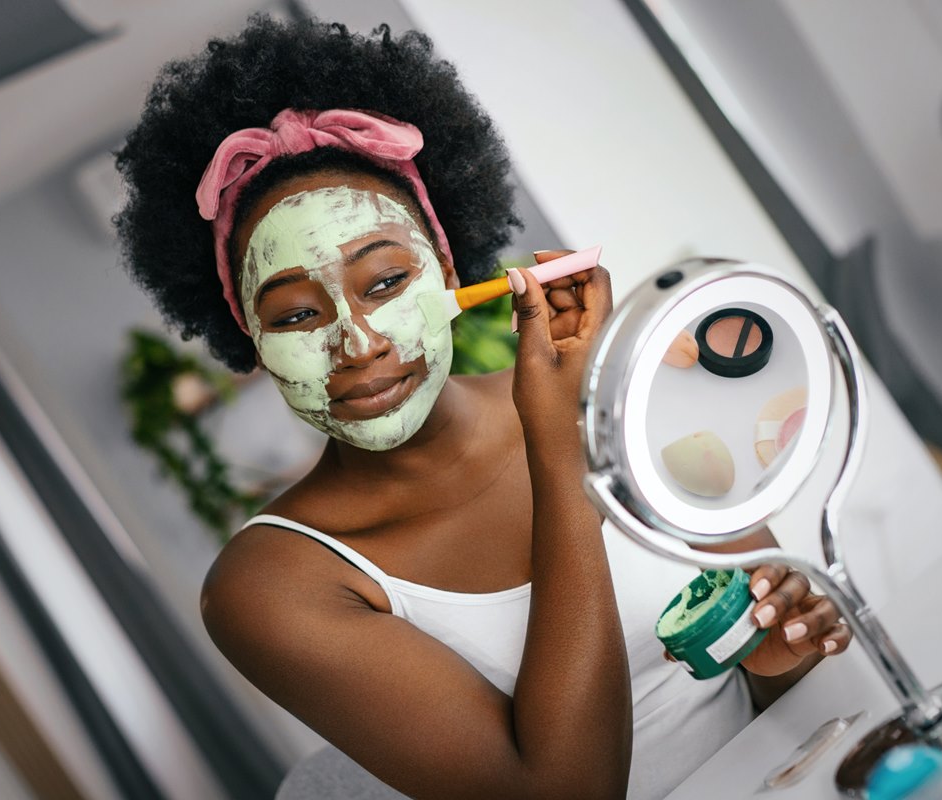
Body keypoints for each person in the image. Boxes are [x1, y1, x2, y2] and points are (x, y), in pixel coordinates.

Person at [115, 16, 851, 798]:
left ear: (450, 272)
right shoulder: (267, 588)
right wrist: (560, 450)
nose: (358, 344)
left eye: (386, 282)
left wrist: (783, 653)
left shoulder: (617, 402)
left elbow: (785, 679)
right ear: (251, 342)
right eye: (297, 315)